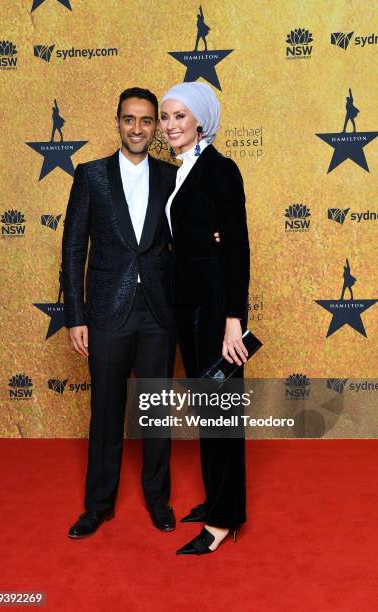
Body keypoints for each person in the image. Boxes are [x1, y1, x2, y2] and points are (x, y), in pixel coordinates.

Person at [62, 87, 178, 539]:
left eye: (146, 121)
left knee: (155, 412)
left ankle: (157, 499)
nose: (137, 128)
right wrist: (76, 315)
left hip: (157, 314)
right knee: (105, 412)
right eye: (129, 119)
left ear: (155, 128)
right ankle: (98, 505)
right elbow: (74, 248)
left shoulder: (172, 176)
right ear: (117, 123)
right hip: (106, 313)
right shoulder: (90, 175)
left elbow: (184, 240)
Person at [160, 81, 250, 555]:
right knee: (207, 409)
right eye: (166, 117)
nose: (170, 125)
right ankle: (217, 499)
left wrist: (234, 318)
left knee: (222, 412)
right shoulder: (179, 173)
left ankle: (224, 518)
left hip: (216, 310)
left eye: (180, 116)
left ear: (200, 121)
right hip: (188, 307)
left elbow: (237, 247)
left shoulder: (220, 170)